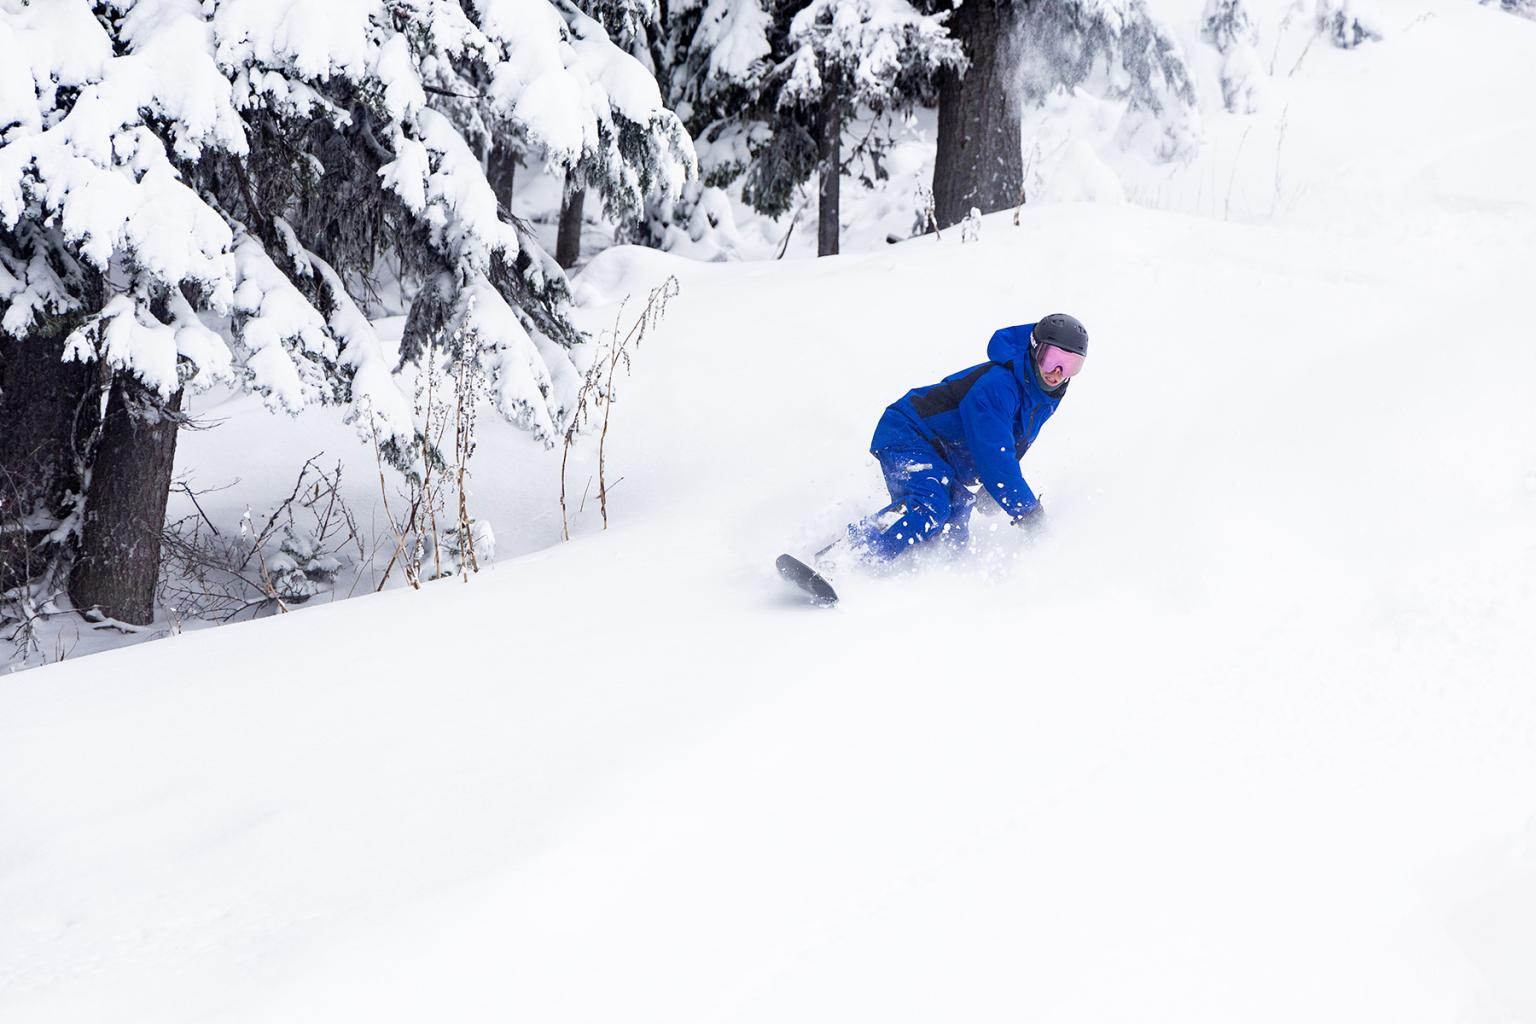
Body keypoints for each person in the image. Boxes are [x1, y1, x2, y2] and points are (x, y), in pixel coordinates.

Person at [849, 313, 1088, 559]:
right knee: (930, 507)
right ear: (1035, 348)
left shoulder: (1043, 396)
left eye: (1071, 365)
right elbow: (994, 455)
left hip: (940, 454)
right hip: (909, 433)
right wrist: (1027, 510)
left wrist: (995, 488)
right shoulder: (998, 385)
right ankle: (849, 556)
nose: (1058, 372)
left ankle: (912, 582)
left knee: (952, 536)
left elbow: (1012, 439)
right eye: (1052, 359)